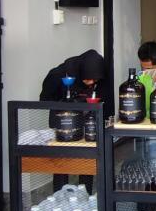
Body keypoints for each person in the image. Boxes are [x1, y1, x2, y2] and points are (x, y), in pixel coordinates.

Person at [39, 49, 106, 193]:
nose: (91, 82)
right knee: (61, 163)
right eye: (88, 79)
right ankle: (59, 196)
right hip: (62, 126)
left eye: (95, 80)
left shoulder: (97, 78)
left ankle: (85, 194)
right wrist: (66, 104)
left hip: (85, 124)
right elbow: (44, 99)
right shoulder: (58, 75)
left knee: (86, 160)